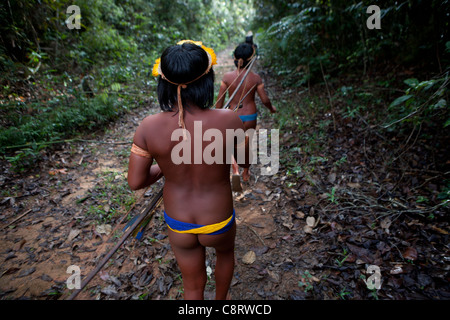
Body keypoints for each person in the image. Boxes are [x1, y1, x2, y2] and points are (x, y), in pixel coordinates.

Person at [127, 40, 250, 300]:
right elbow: (245, 159)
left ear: (163, 82)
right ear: (207, 80)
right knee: (226, 254)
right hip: (218, 217)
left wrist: (165, 167)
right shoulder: (228, 120)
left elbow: (136, 181)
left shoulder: (148, 127)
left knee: (192, 285)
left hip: (179, 220)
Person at [215, 42, 276, 186]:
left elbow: (219, 101)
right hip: (249, 116)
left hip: (231, 116)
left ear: (235, 59)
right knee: (246, 144)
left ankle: (234, 167)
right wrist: (271, 108)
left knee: (230, 144)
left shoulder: (227, 78)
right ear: (251, 60)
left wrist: (216, 116)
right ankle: (246, 170)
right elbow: (265, 99)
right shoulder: (255, 78)